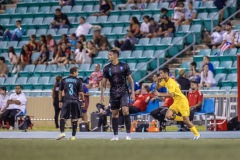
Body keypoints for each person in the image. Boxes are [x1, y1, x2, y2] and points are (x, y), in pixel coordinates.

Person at [154, 68, 200, 140]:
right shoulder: (164, 81)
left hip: (182, 101)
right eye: (160, 73)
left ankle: (197, 134)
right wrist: (157, 81)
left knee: (187, 121)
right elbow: (158, 87)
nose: (160, 74)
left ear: (166, 74)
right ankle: (183, 119)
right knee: (168, 116)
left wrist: (160, 94)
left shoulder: (171, 82)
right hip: (176, 102)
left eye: (161, 73)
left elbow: (171, 95)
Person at [101, 49, 135, 141]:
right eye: (108, 55)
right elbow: (103, 82)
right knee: (114, 114)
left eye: (110, 55)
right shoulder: (106, 68)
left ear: (115, 56)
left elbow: (130, 80)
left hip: (124, 92)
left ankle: (128, 134)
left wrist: (133, 92)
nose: (108, 56)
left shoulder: (124, 66)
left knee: (125, 111)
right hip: (113, 93)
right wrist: (102, 94)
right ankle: (115, 136)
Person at [56, 67, 85, 140]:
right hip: (75, 101)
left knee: (62, 117)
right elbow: (81, 93)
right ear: (74, 72)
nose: (78, 73)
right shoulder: (78, 81)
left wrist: (60, 101)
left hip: (67, 100)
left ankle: (62, 133)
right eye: (77, 72)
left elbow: (60, 91)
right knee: (74, 118)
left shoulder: (64, 80)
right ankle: (73, 136)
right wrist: (83, 101)